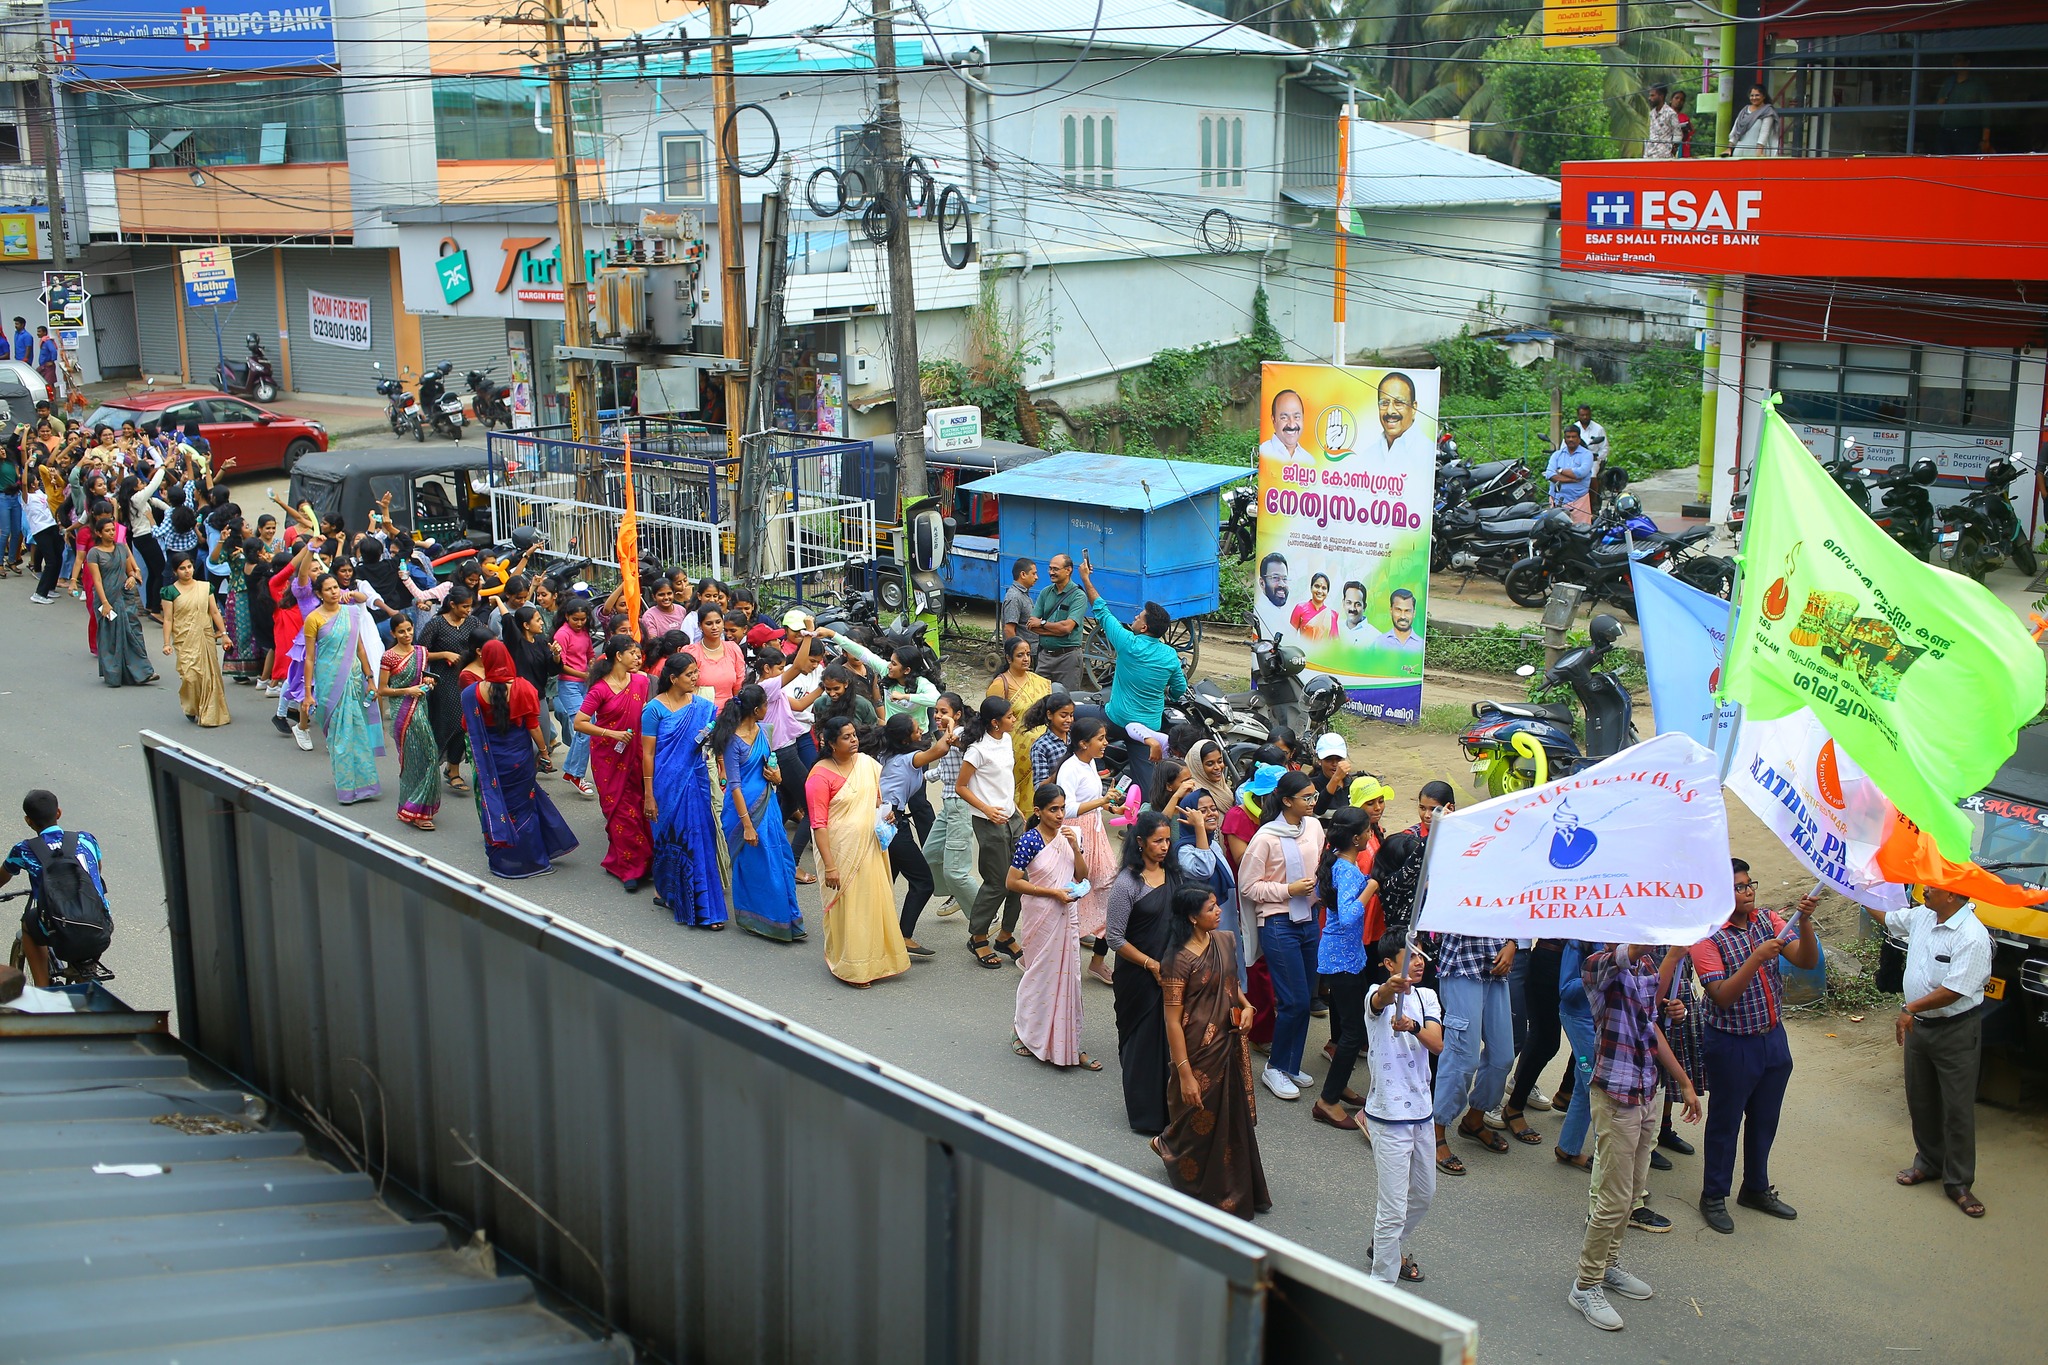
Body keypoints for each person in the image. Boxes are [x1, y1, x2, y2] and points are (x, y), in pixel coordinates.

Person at [1569, 942, 1702, 1333]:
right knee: (1611, 1200)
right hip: (1615, 1096)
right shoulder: (1597, 965)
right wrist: (1673, 949)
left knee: (1632, 1192)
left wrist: (1684, 1082)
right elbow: (1624, 955)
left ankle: (1608, 1266)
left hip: (1646, 1090)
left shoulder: (1646, 963)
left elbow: (1650, 1025)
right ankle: (1586, 1284)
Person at [1688, 861, 1818, 1233]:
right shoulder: (1707, 937)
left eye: (1750, 885)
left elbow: (1806, 961)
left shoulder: (1769, 920)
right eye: (1738, 888)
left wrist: (1804, 923)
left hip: (1771, 1037)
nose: (1748, 892)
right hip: (1731, 1042)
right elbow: (1722, 996)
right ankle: (1713, 1194)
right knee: (1725, 1122)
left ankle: (1756, 1187)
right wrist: (1757, 957)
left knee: (1765, 1119)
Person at [1867, 887, 1993, 1219]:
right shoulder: (1924, 915)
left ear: (1954, 895)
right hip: (1919, 1028)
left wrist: (1910, 1008)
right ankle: (1929, 1162)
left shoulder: (1972, 937)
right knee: (1920, 1099)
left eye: (1934, 885)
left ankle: (1959, 1183)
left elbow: (1954, 990)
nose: (1925, 888)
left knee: (1956, 1109)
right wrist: (1856, 892)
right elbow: (1890, 920)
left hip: (1955, 1031)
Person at [1154, 884, 1269, 1219]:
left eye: (1217, 906)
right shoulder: (1176, 960)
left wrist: (1248, 1009)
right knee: (1197, 1115)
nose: (1219, 911)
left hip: (1227, 1039)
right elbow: (1172, 1021)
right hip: (1196, 1048)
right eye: (1211, 908)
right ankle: (1173, 1150)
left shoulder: (1224, 941)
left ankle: (1228, 1181)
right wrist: (1185, 1072)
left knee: (1227, 1114)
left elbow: (1233, 988)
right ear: (1192, 917)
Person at [1363, 935, 1445, 1284]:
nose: (1418, 962)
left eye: (1421, 955)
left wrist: (1412, 1026)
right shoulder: (1374, 994)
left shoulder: (1427, 997)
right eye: (1410, 956)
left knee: (1424, 1196)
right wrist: (1390, 989)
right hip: (1388, 1116)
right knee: (1392, 1207)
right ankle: (1381, 1285)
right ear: (1388, 964)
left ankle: (1385, 1244)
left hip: (1422, 1113)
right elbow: (1379, 1000)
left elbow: (1437, 1044)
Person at [1238, 771, 1324, 1101]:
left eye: (1315, 796)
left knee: (1303, 999)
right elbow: (1248, 886)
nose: (1314, 802)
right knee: (1294, 1000)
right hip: (1277, 922)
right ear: (1287, 801)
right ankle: (1274, 1067)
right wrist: (1287, 889)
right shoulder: (1266, 838)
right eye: (1307, 798)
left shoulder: (1314, 827)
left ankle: (1289, 1063)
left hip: (1309, 920)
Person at [807, 715, 910, 988]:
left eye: (854, 735)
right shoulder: (819, 775)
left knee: (873, 903)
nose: (853, 740)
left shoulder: (866, 764)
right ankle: (850, 966)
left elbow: (877, 801)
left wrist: (884, 814)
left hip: (870, 848)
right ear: (830, 743)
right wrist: (830, 866)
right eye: (846, 737)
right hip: (840, 852)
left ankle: (879, 961)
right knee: (849, 908)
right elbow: (818, 825)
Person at [1075, 552, 1187, 802]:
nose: (1135, 617)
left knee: (1073, 714)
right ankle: (1142, 823)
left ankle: (1098, 761)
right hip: (1147, 729)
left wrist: (1085, 578)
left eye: (1139, 617)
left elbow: (1101, 611)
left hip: (1117, 719)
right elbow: (1179, 691)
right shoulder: (1170, 656)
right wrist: (1166, 691)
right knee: (1146, 780)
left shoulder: (1127, 643)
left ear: (1144, 627)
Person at [462, 640, 578, 879]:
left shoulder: (471, 693)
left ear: (485, 660)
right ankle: (534, 861)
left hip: (491, 759)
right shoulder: (523, 687)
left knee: (497, 804)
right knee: (524, 806)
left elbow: (467, 727)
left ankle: (503, 860)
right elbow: (533, 726)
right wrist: (544, 752)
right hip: (519, 757)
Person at [1008, 781, 1100, 1069]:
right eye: (1053, 810)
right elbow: (1013, 882)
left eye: (1062, 809)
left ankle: (1066, 1041)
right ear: (1038, 811)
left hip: (1067, 915)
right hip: (1042, 915)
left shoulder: (1070, 835)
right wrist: (1052, 893)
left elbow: (1082, 875)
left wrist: (1075, 846)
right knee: (1038, 975)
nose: (1060, 815)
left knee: (1069, 978)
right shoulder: (1030, 841)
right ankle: (1023, 1031)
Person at [640, 653, 729, 928]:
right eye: (689, 674)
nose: (695, 678)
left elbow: (710, 745)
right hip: (666, 785)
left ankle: (702, 908)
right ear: (672, 678)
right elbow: (648, 753)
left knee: (700, 838)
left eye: (695, 673)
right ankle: (664, 891)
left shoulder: (703, 707)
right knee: (669, 838)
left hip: (697, 780)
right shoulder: (654, 710)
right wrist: (649, 794)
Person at [714, 684, 806, 942]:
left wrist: (777, 778)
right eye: (766, 704)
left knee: (782, 862)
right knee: (758, 866)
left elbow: (771, 766)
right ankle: (762, 919)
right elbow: (734, 786)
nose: (769, 708)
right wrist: (747, 826)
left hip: (769, 807)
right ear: (756, 709)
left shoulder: (764, 732)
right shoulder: (733, 741)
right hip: (745, 813)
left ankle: (787, 919)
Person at [1431, 918, 1516, 1175]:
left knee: (1503, 1057)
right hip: (1460, 966)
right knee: (1462, 1059)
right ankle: (1434, 1133)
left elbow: (1514, 910)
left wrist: (1512, 943)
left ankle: (1474, 1120)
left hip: (1496, 968)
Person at [0, 790, 108, 987]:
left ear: (28, 821)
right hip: (101, 924)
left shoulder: (24, 850)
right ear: (58, 813)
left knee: (29, 924)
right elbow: (97, 873)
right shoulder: (86, 839)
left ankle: (44, 991)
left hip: (58, 928)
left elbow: (2, 877)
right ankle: (85, 975)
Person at [1310, 808, 1374, 1131]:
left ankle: (1340, 1085)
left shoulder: (1334, 858)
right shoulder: (1347, 869)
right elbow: (1349, 915)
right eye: (1366, 831)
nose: (1369, 835)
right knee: (1352, 1032)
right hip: (1341, 958)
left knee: (1354, 1026)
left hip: (1344, 954)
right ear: (1355, 838)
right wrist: (1372, 886)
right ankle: (1327, 1101)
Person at [575, 634, 654, 893]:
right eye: (633, 653)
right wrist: (612, 734)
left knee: (640, 804)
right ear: (618, 656)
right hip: (609, 756)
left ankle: (643, 861)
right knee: (619, 809)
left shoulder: (641, 682)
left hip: (637, 752)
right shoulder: (600, 688)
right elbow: (580, 722)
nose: (637, 658)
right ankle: (629, 868)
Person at [302, 571, 386, 804]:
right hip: (330, 680)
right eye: (328, 589)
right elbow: (309, 658)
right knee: (340, 734)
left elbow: (360, 648)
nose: (334, 592)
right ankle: (347, 787)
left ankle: (366, 785)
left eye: (336, 587)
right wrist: (308, 693)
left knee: (357, 731)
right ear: (319, 594)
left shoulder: (351, 613)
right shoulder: (313, 619)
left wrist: (370, 677)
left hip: (354, 678)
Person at [956, 695, 1024, 970]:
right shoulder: (977, 750)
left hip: (1013, 818)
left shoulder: (1005, 740)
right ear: (995, 723)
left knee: (1022, 879)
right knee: (997, 882)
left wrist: (1015, 807)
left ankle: (1006, 935)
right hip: (989, 822)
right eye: (1010, 717)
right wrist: (987, 809)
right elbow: (962, 787)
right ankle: (979, 936)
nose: (1014, 720)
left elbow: (1004, 780)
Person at [871, 712, 944, 955]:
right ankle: (904, 935)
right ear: (905, 740)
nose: (921, 731)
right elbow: (942, 748)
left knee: (886, 879)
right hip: (892, 825)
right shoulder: (909, 759)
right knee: (923, 882)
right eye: (916, 730)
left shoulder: (885, 751)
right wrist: (951, 722)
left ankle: (875, 931)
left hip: (884, 820)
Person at [1055, 716, 1118, 987]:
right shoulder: (1069, 769)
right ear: (1083, 743)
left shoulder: (1091, 762)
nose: (1105, 743)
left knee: (1110, 895)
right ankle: (1042, 959)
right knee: (1070, 898)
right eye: (1100, 739)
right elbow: (1066, 808)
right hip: (1076, 839)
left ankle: (1097, 961)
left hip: (1095, 834)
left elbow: (1089, 802)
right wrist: (1101, 801)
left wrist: (1109, 806)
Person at [420, 587, 493, 792]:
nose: (468, 610)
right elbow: (420, 652)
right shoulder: (436, 624)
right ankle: (436, 763)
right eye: (464, 606)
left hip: (469, 677)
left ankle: (453, 767)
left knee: (467, 722)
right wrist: (443, 654)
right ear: (452, 604)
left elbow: (486, 641)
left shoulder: (472, 622)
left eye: (470, 606)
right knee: (451, 722)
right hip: (445, 680)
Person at [377, 616, 442, 830]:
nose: (407, 635)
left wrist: (427, 681)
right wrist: (408, 691)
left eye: (409, 629)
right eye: (402, 631)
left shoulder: (421, 652)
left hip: (420, 708)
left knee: (430, 755)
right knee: (413, 760)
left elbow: (421, 677)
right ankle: (415, 812)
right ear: (393, 633)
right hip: (402, 711)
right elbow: (382, 690)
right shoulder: (389, 657)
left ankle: (418, 807)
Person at [157, 552, 231, 726]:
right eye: (182, 568)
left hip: (205, 636)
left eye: (189, 567)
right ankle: (191, 706)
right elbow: (168, 619)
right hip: (184, 638)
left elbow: (214, 612)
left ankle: (210, 711)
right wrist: (166, 643)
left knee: (208, 675)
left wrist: (224, 633)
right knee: (190, 676)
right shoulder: (170, 592)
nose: (187, 571)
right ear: (175, 571)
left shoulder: (205, 587)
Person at [85, 514, 155, 687]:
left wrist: (131, 578)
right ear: (99, 533)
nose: (111, 533)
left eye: (113, 530)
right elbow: (97, 580)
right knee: (110, 636)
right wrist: (105, 603)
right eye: (107, 531)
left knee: (133, 631)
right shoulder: (94, 553)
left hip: (125, 597)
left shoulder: (122, 549)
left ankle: (143, 672)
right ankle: (114, 674)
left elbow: (130, 571)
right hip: (106, 599)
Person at [987, 636, 1051, 814]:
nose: (1026, 659)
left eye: (1028, 654)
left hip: (1040, 753)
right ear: (1008, 658)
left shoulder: (1039, 682)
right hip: (1013, 753)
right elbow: (992, 721)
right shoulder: (1001, 685)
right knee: (1012, 796)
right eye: (1020, 655)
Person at [551, 599, 598, 799]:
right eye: (575, 619)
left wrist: (593, 666)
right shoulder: (562, 634)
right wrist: (584, 675)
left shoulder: (585, 633)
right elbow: (559, 665)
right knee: (584, 728)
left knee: (587, 727)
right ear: (566, 617)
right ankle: (577, 774)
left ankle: (571, 770)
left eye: (582, 619)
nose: (579, 623)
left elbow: (589, 655)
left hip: (584, 684)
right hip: (569, 685)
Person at [1030, 553, 1089, 690]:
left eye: (1055, 569)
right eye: (1050, 568)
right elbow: (1032, 625)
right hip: (1044, 657)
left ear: (1068, 570)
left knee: (1067, 701)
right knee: (1038, 699)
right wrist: (1058, 631)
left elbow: (1067, 628)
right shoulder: (1045, 592)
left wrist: (1043, 624)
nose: (1051, 572)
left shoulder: (1078, 596)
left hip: (1067, 658)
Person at [685, 604, 746, 710]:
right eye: (709, 623)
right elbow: (683, 687)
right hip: (699, 713)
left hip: (728, 714)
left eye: (718, 622)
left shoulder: (733, 649)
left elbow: (738, 685)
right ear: (700, 626)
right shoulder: (691, 652)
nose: (714, 627)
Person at [1933, 55, 1991, 155]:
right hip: (1946, 132)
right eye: (1953, 61)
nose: (1955, 64)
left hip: (1967, 133)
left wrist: (1985, 139)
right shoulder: (1949, 82)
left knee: (1963, 164)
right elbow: (1938, 106)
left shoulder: (1977, 83)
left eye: (1958, 60)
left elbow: (1986, 111)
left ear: (1967, 63)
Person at [1371, 372, 1433, 463]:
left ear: (1413, 408)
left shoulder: (1428, 453)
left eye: (1398, 403)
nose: (1390, 411)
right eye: (1384, 403)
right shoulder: (1369, 455)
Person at [1546, 425, 1594, 525]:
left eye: (1573, 437)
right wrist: (1572, 479)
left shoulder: (1587, 454)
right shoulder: (1557, 455)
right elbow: (1550, 474)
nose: (1571, 439)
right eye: (1568, 437)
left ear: (1579, 439)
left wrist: (1560, 470)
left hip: (1579, 501)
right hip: (1557, 501)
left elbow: (1581, 473)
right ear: (1564, 439)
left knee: (1581, 533)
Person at [1729, 83, 1782, 158]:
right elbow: (1735, 130)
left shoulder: (1768, 111)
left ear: (1763, 96)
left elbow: (1764, 132)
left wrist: (1759, 150)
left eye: (1757, 95)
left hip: (1757, 153)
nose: (1754, 98)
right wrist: (1729, 148)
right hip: (1739, 151)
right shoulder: (1744, 111)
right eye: (1752, 95)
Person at [1001, 557, 1039, 651]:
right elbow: (1009, 629)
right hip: (1023, 656)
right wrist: (1019, 653)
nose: (1036, 577)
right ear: (1023, 574)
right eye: (1033, 573)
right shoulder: (1014, 597)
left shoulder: (1023, 594)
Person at [1258, 388, 1305, 461]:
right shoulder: (1263, 452)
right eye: (1284, 418)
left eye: (1296, 417)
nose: (1292, 425)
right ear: (1274, 420)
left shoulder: (1309, 460)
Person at [1289, 572, 1339, 640]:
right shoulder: (1300, 608)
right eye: (1317, 586)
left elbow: (1336, 642)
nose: (1320, 591)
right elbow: (1290, 636)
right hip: (1304, 650)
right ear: (1311, 587)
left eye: (1324, 588)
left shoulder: (1331, 615)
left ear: (1327, 592)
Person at [1643, 83, 1680, 158]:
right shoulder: (1651, 113)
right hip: (1649, 155)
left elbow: (1678, 134)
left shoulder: (1670, 113)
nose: (1650, 98)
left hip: (1664, 156)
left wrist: (1672, 151)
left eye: (1653, 95)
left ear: (1661, 96)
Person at [1669, 88, 1694, 157]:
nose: (1679, 101)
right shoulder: (1665, 116)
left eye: (1682, 99)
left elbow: (1690, 134)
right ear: (1671, 100)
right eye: (1676, 98)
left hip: (1682, 150)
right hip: (1667, 149)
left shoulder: (1684, 117)